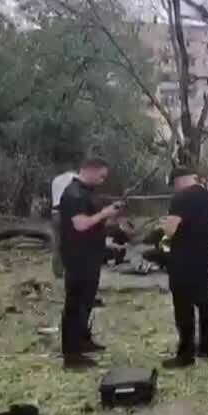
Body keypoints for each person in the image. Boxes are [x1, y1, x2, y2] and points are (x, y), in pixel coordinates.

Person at [58, 157, 122, 369]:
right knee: (75, 305)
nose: (103, 180)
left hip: (91, 255)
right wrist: (104, 213)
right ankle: (72, 355)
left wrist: (110, 219)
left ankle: (83, 340)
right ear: (90, 170)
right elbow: (80, 225)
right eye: (102, 175)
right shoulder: (73, 194)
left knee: (86, 302)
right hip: (77, 258)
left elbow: (96, 222)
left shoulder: (89, 193)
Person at [158, 167, 208, 368]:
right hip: (204, 255)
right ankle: (206, 347)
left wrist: (163, 224)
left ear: (178, 181)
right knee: (204, 301)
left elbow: (170, 230)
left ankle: (185, 355)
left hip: (183, 258)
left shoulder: (181, 198)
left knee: (183, 307)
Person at [50, 169, 78, 279]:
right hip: (66, 211)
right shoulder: (74, 178)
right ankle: (70, 271)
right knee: (71, 242)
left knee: (57, 243)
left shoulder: (56, 179)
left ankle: (57, 272)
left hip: (55, 213)